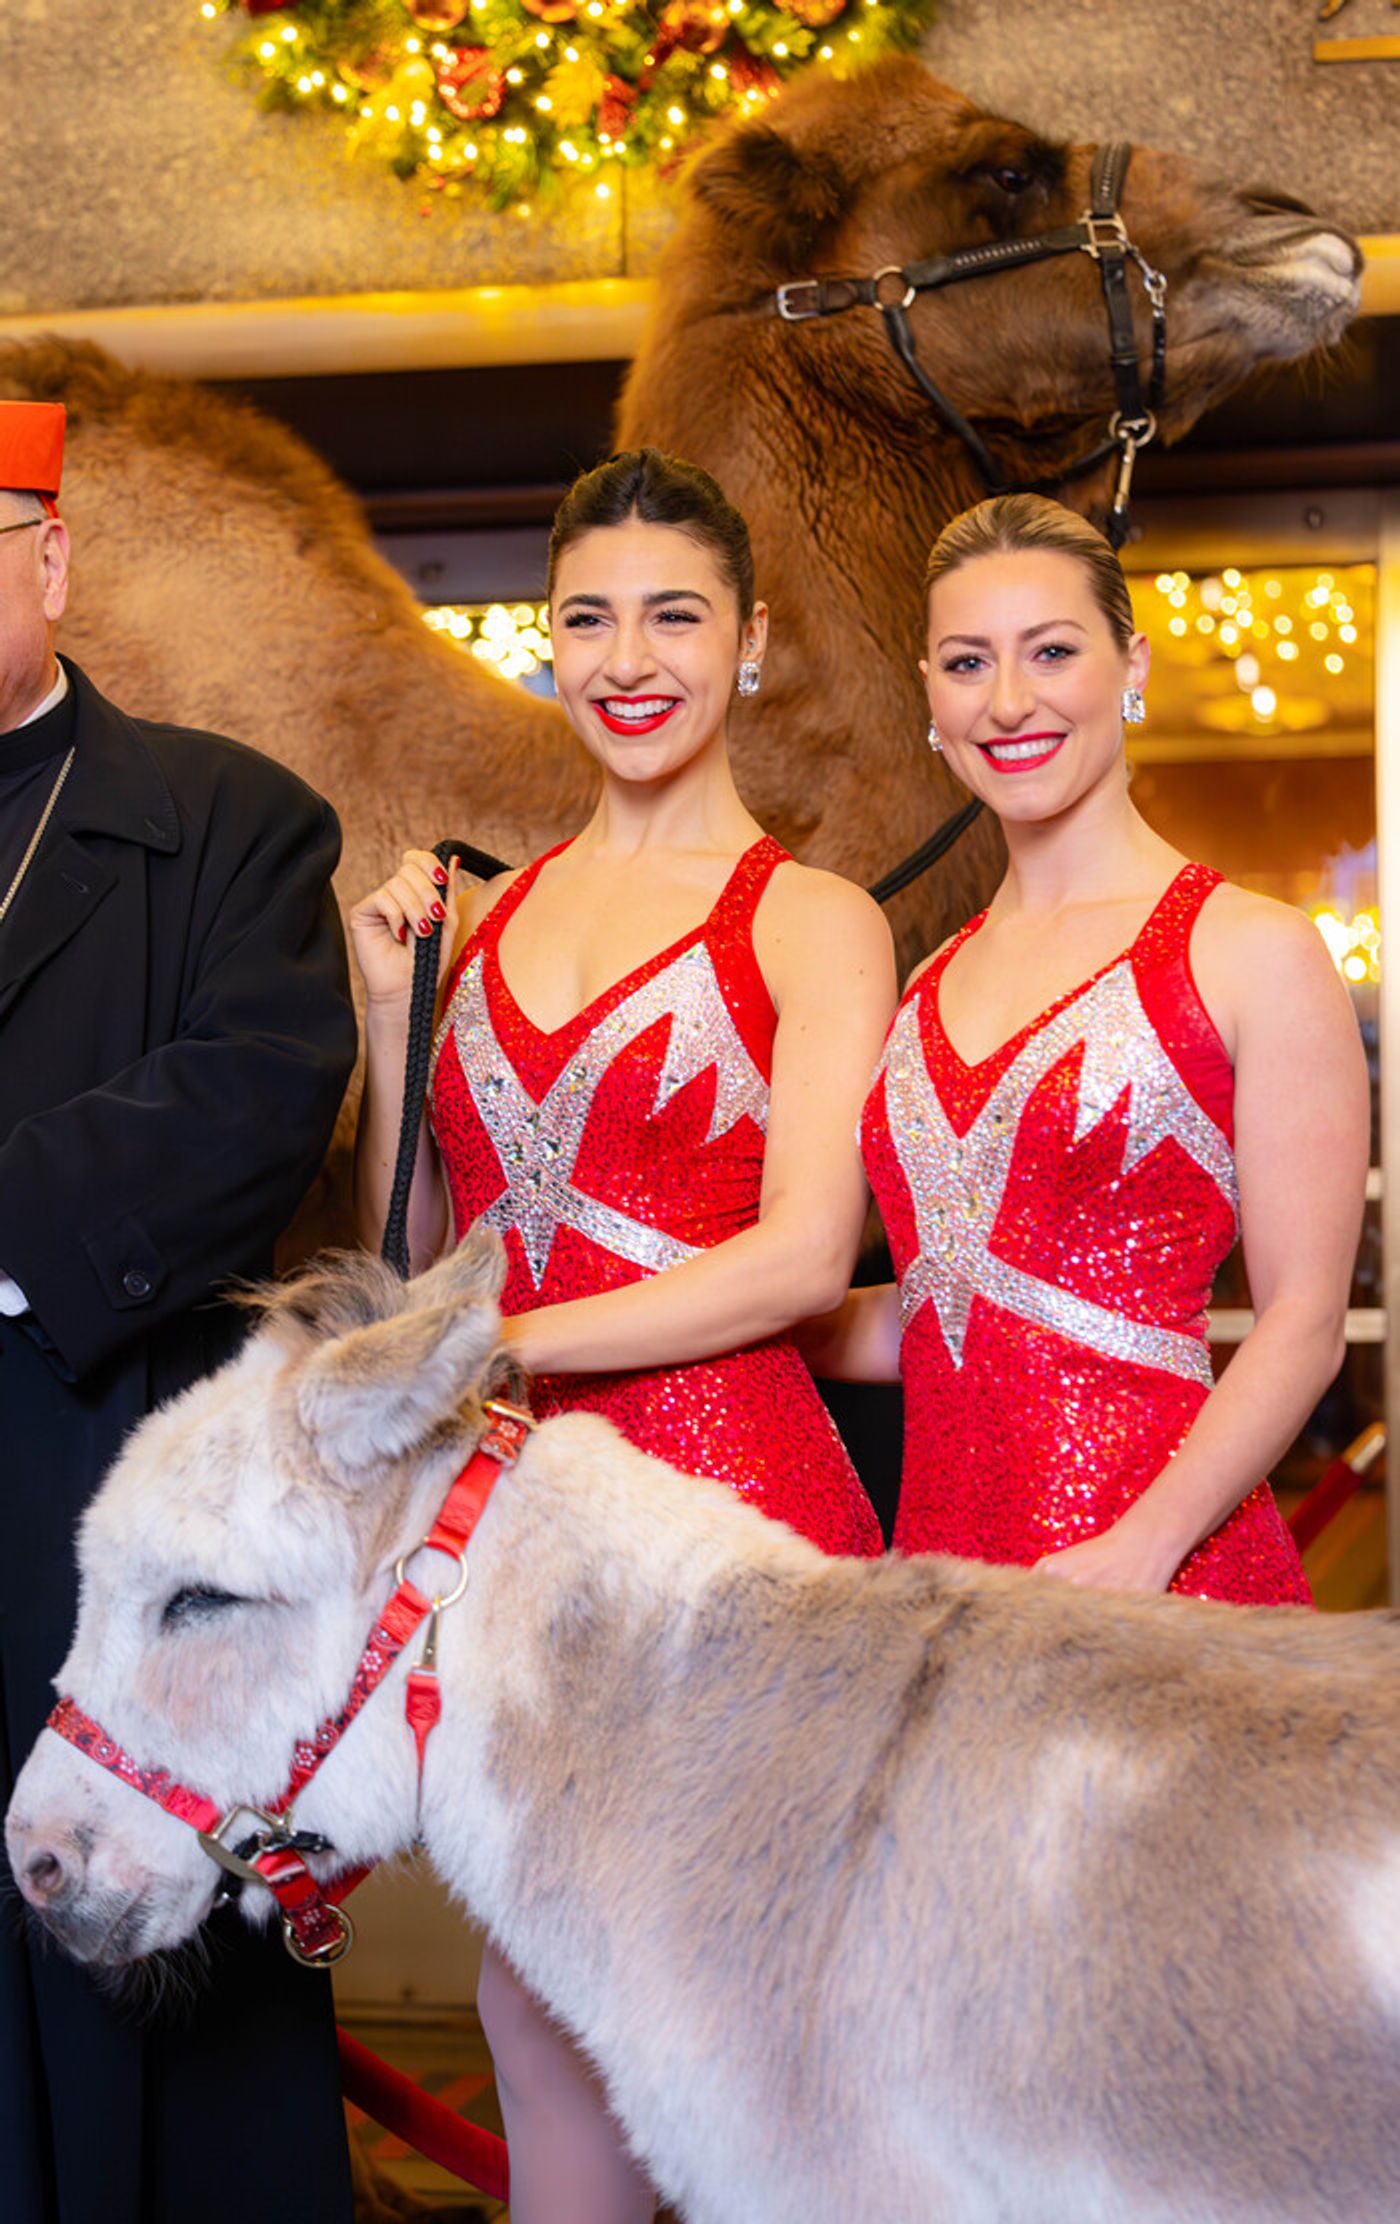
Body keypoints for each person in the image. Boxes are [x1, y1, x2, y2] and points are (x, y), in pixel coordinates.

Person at [351, 447, 894, 2223]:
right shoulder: (487, 914)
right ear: (549, 644)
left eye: (676, 612)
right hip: (524, 1530)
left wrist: (507, 1336)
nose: (628, 654)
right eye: (588, 615)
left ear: (747, 644)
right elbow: (424, 1251)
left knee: (750, 2024)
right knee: (533, 1993)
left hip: (728, 1527)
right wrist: (385, 1018)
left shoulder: (813, 916)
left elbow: (805, 1255)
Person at [0, 401, 358, 2224]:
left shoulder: (232, 819)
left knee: (129, 1997)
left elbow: (260, 1087)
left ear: (48, 560)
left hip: (90, 1476)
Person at [804, 492, 1367, 1604]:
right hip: (943, 1586)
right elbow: (934, 1310)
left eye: (1050, 651)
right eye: (966, 663)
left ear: (1131, 665)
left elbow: (1302, 1324)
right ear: (928, 693)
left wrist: (1140, 1549)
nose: (1007, 700)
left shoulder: (1250, 950)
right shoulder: (922, 986)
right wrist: (643, 1305)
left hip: (1158, 1588)